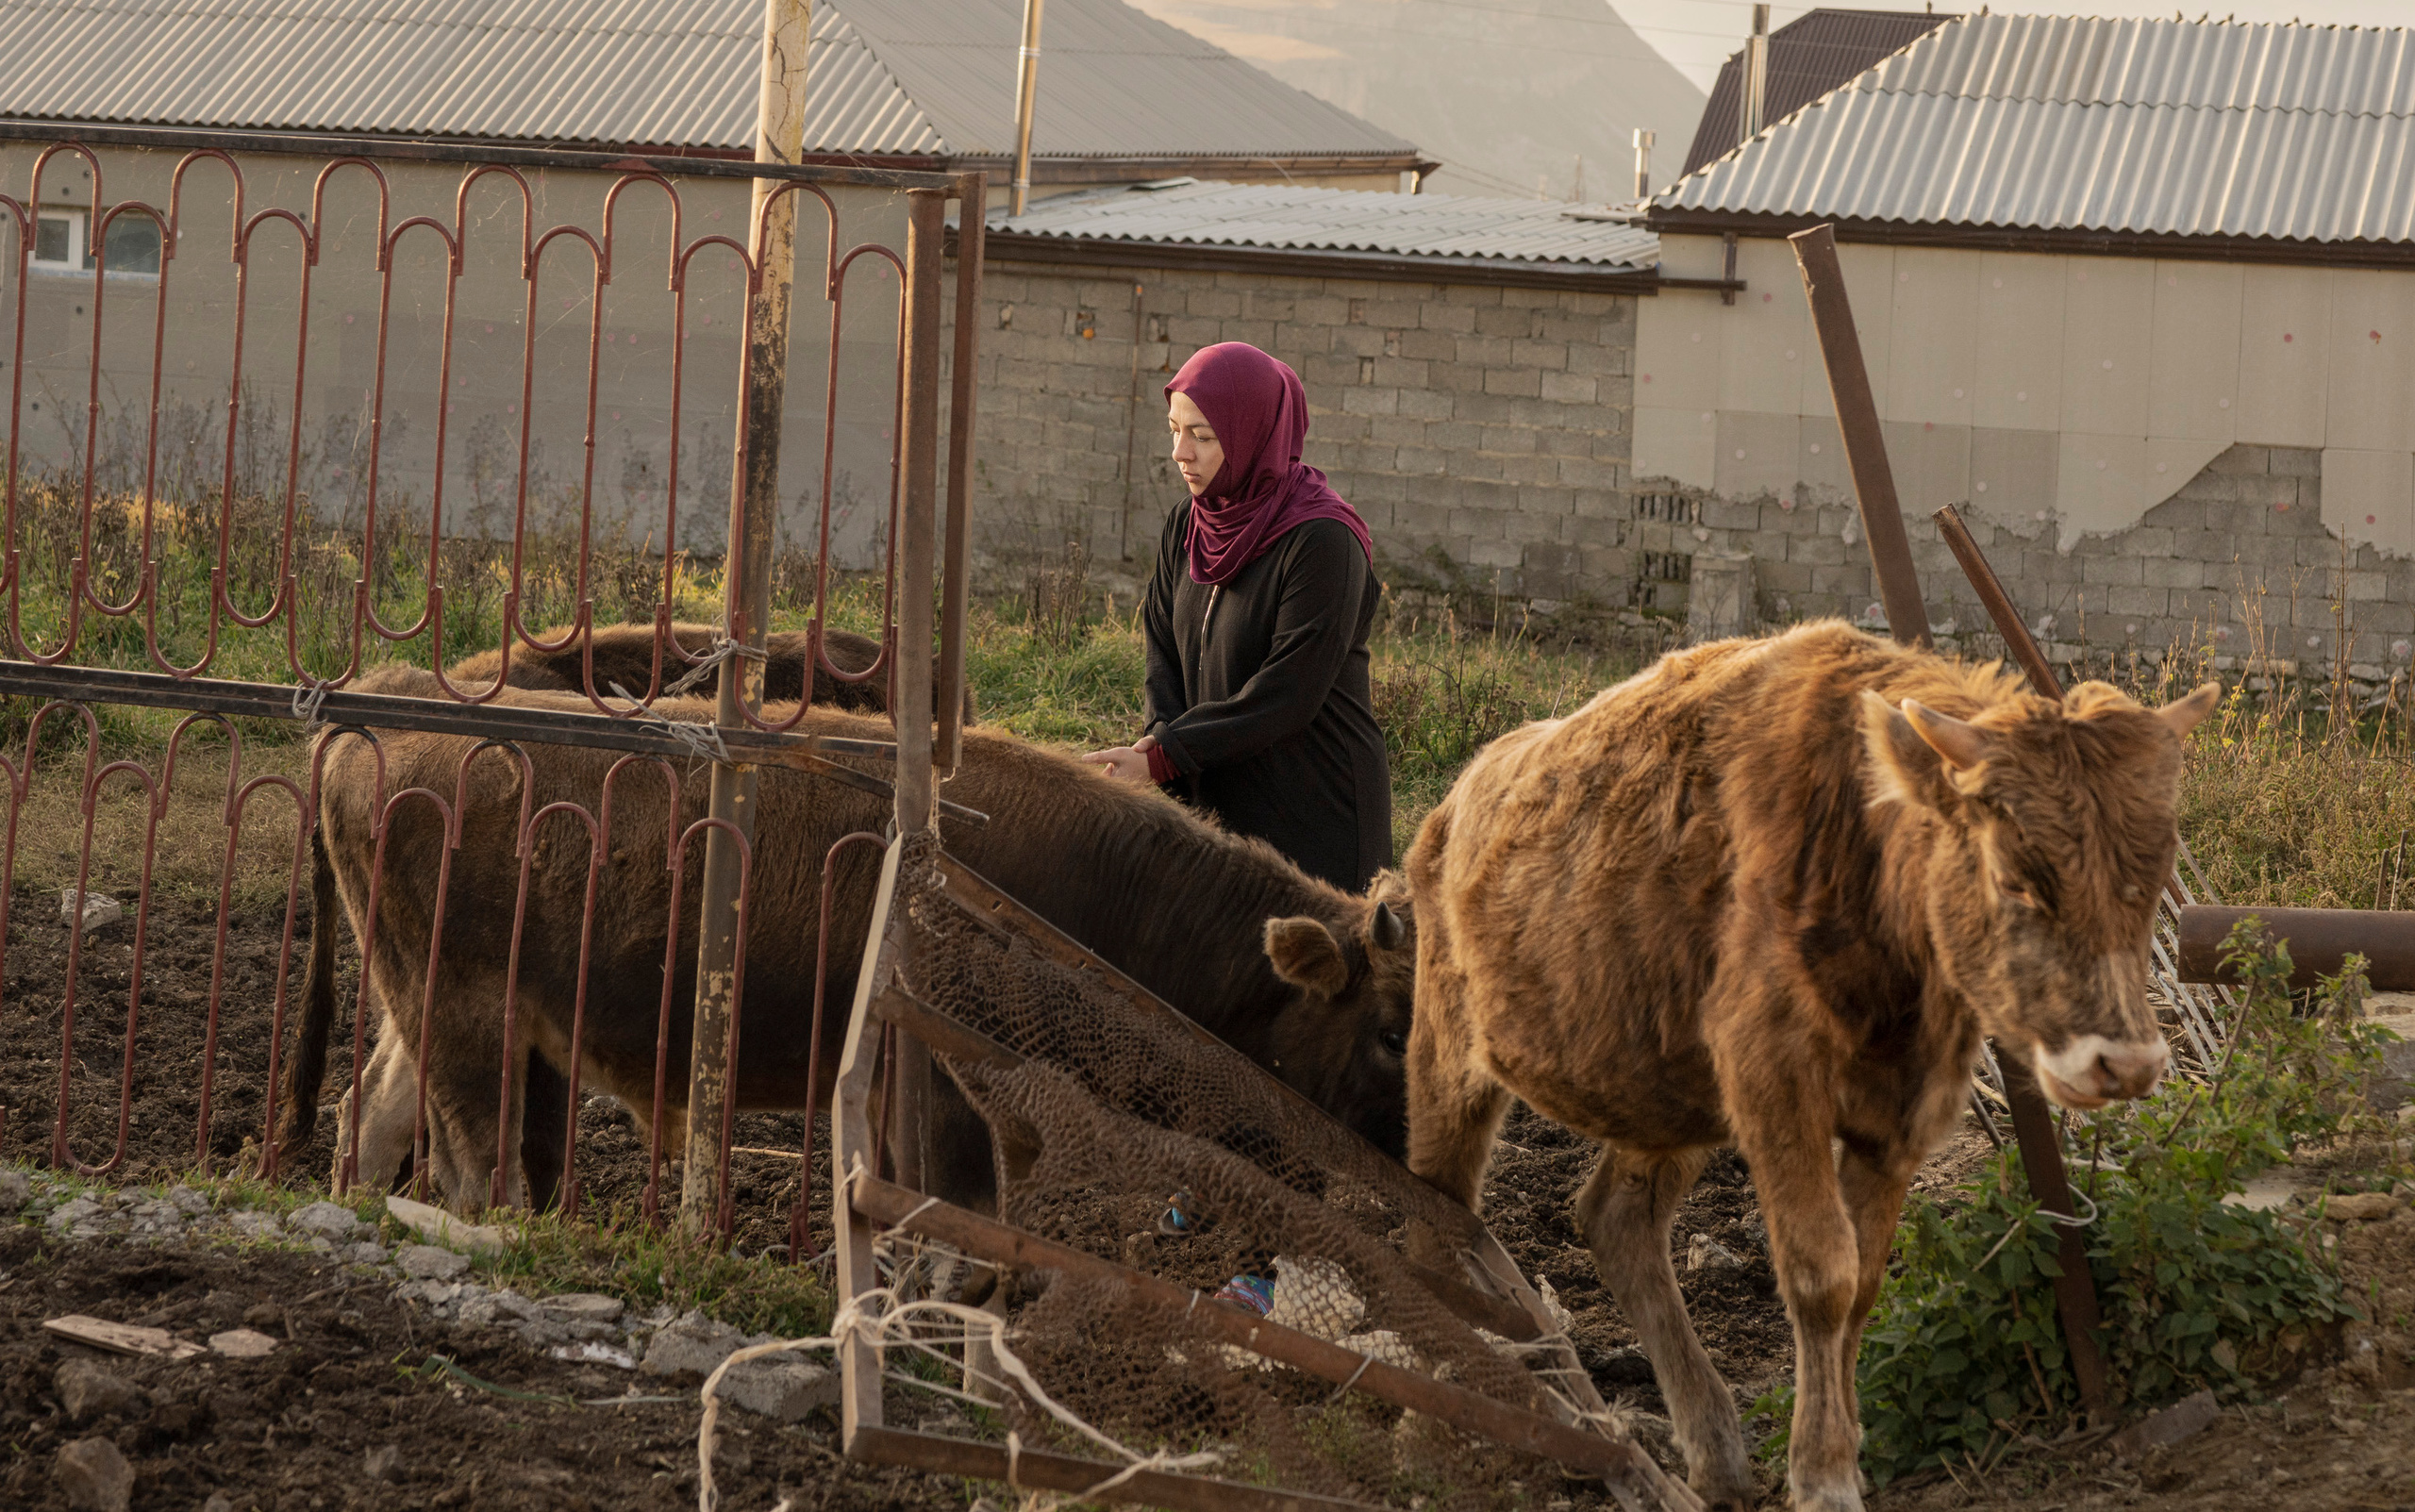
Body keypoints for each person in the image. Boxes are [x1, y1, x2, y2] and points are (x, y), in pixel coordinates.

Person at [1082, 342, 1390, 892]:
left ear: (1254, 434)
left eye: (1202, 436)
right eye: (1174, 429)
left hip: (1313, 812)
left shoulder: (1322, 541)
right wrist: (1158, 739)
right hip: (1217, 798)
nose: (1181, 453)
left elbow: (1288, 693)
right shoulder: (1190, 523)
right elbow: (1161, 642)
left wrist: (1168, 757)